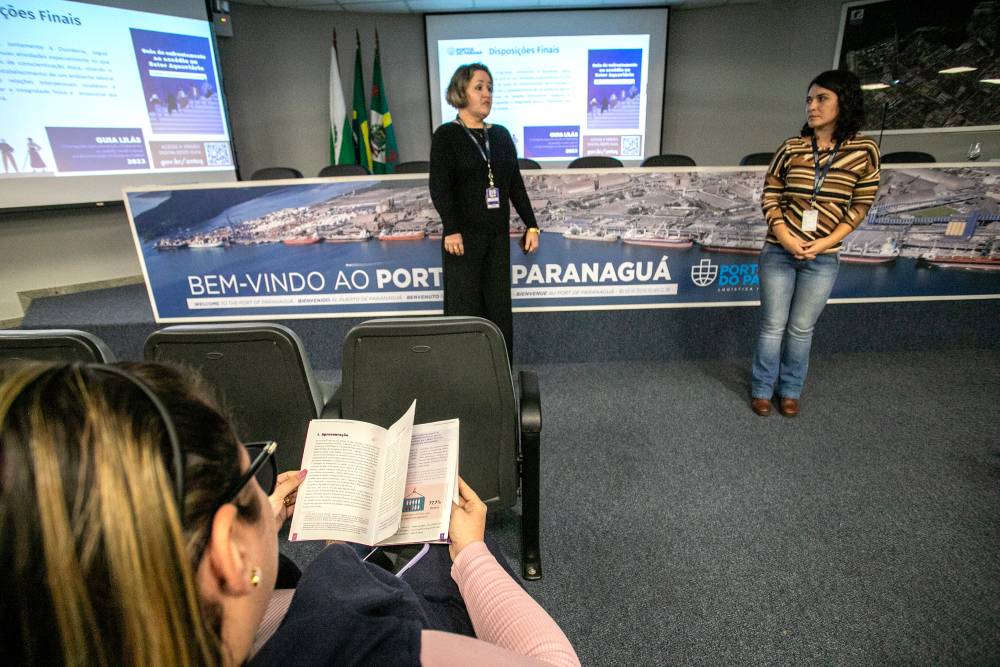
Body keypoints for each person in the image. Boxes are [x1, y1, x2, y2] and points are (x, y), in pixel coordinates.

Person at [0, 361, 579, 667]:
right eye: (253, 472)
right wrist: (472, 554)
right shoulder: (361, 649)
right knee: (461, 557)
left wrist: (262, 519)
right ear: (227, 550)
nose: (264, 482)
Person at [750, 69, 880, 417]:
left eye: (822, 98)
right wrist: (786, 236)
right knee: (772, 325)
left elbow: (860, 206)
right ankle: (762, 389)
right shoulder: (791, 148)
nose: (812, 106)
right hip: (779, 250)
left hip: (824, 256)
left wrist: (824, 244)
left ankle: (790, 390)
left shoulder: (865, 150)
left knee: (801, 328)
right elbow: (771, 195)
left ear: (844, 102)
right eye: (809, 99)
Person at [429, 63, 539, 363]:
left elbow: (514, 183)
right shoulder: (446, 136)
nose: (486, 94)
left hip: (496, 239)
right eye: (479, 87)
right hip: (462, 241)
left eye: (489, 87)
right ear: (460, 91)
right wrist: (451, 228)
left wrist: (532, 224)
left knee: (498, 310)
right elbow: (439, 187)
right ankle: (463, 377)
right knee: (464, 310)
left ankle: (500, 374)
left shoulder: (501, 136)